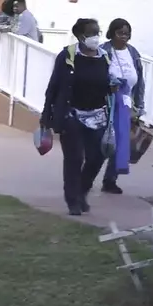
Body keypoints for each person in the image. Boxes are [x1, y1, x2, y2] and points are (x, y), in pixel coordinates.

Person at [40, 18, 118, 216]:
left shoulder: (104, 57)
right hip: (71, 114)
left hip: (98, 115)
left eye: (97, 32)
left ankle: (82, 190)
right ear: (80, 36)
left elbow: (106, 83)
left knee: (97, 156)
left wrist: (112, 86)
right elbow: (54, 87)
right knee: (74, 158)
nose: (96, 36)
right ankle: (73, 200)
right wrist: (46, 115)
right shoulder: (68, 56)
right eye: (91, 32)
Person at [100, 18, 146, 194]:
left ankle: (110, 179)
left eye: (127, 34)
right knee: (104, 140)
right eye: (120, 33)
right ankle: (88, 173)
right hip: (106, 102)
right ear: (112, 33)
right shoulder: (104, 50)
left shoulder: (133, 52)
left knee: (121, 142)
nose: (124, 37)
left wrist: (139, 105)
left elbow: (140, 80)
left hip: (126, 103)